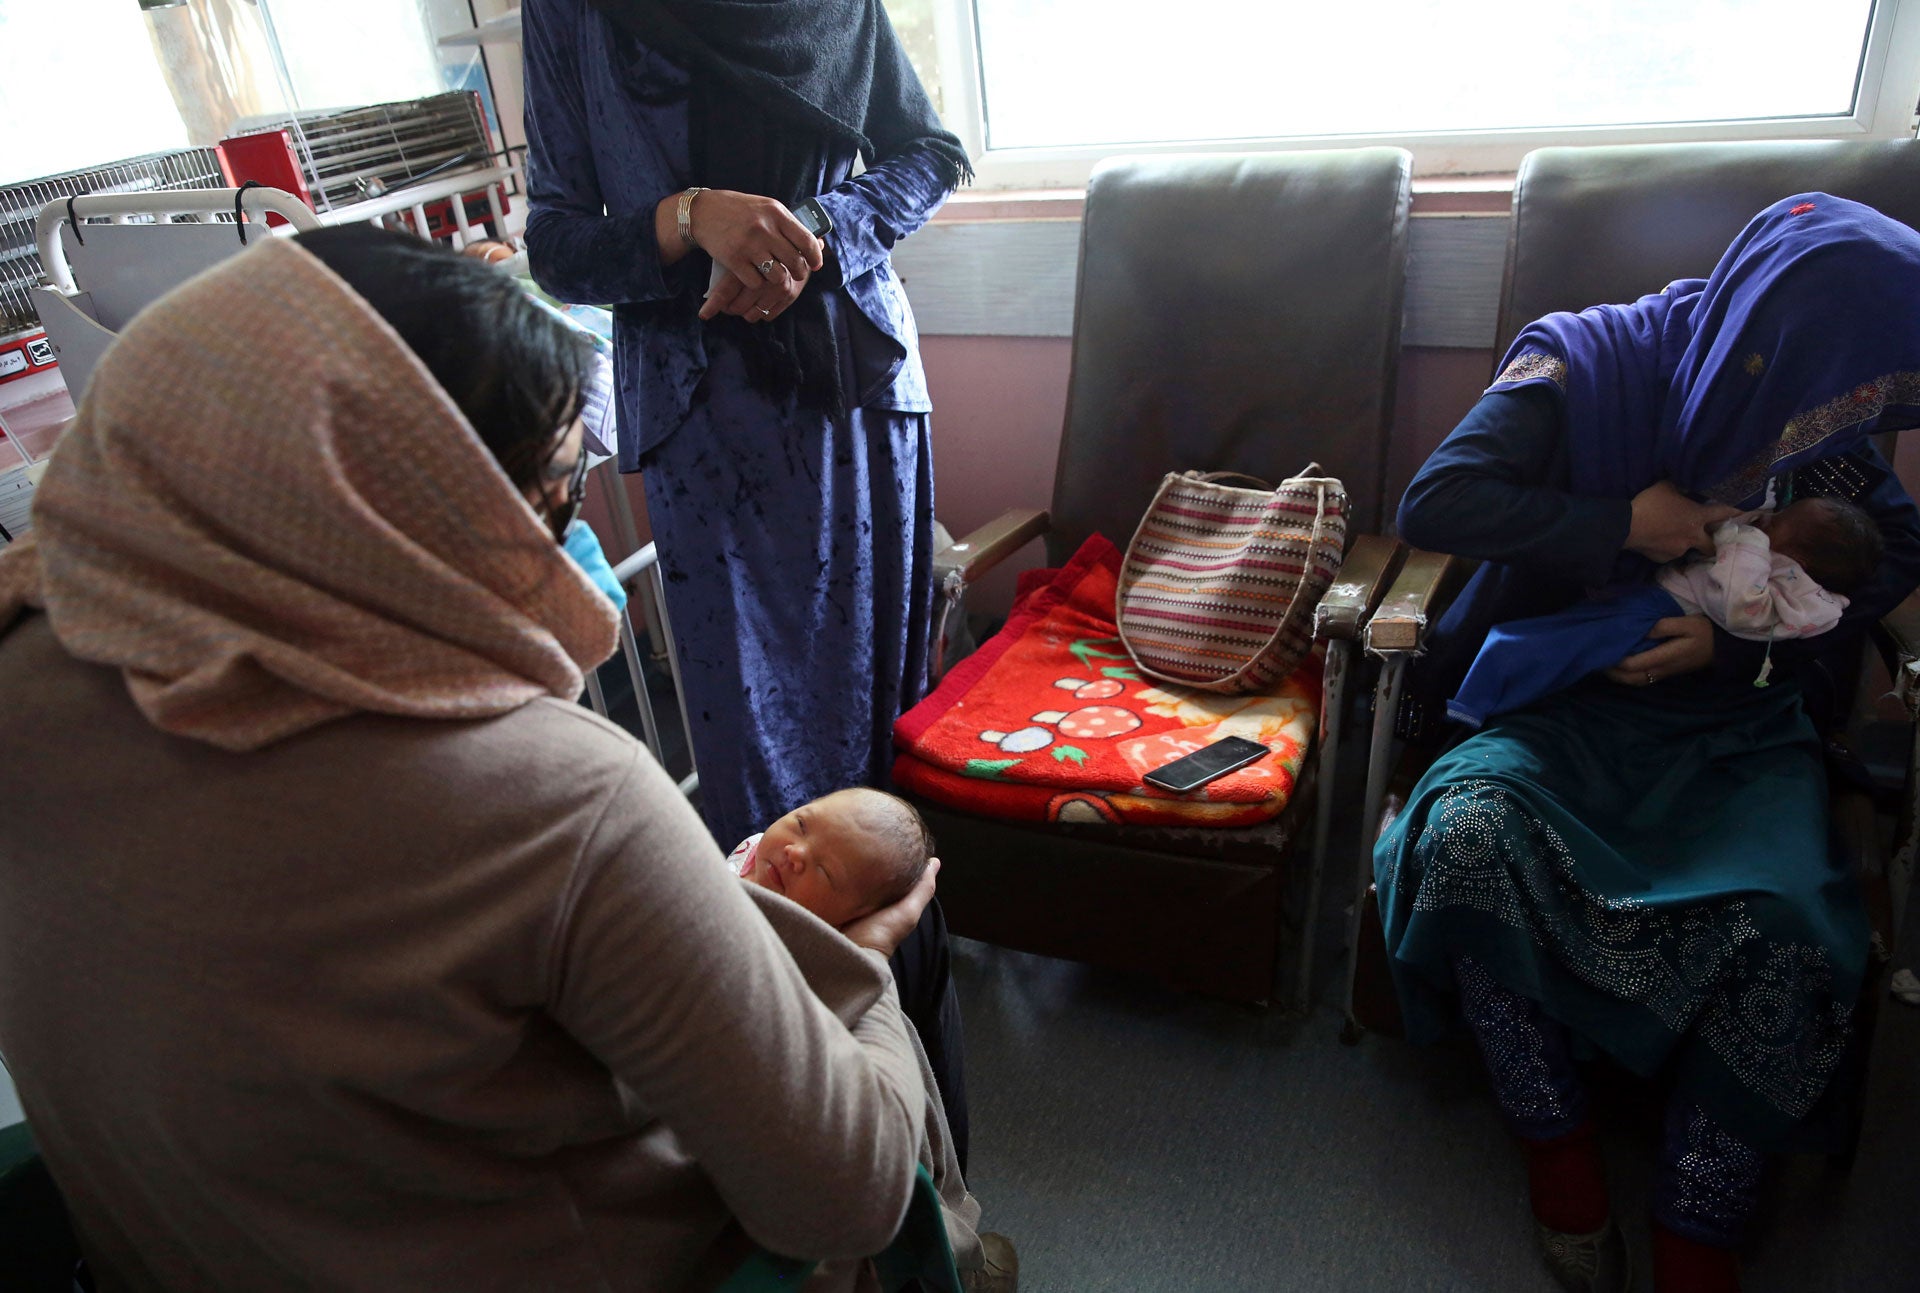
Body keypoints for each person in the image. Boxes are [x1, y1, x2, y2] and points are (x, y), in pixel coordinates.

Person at [0, 228, 950, 1290]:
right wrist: (860, 975)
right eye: (543, 502)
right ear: (413, 508)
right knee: (898, 1104)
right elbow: (846, 1193)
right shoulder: (553, 792)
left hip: (169, 1253)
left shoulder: (24, 660)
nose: (558, 545)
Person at [1375, 194, 1920, 1293]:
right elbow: (1438, 500)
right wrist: (1622, 523)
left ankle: (1697, 1215)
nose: (1844, 425)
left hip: (1733, 728)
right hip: (1563, 705)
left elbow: (1894, 548)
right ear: (1770, 346)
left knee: (1790, 927)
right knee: (1469, 844)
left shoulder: (1821, 431)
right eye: (1841, 395)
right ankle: (1558, 1147)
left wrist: (1730, 652)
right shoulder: (1579, 367)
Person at [521, 0, 974, 1164]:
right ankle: (802, 1130)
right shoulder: (575, 15)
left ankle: (923, 1107)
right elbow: (560, 244)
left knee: (874, 789)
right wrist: (689, 222)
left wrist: (820, 227)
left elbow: (932, 151)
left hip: (860, 396)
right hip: (702, 421)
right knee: (765, 804)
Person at [1448, 496, 1882, 727]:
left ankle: (1477, 699)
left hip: (1658, 615)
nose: (1766, 521)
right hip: (1650, 607)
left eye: (1777, 522)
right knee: (1570, 642)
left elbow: (1739, 606)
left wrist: (1746, 540)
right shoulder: (1796, 573)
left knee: (1557, 641)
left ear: (1798, 559)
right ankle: (1493, 690)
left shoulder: (1781, 573)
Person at [730, 787, 934, 928]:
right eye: (801, 825)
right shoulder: (756, 845)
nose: (795, 852)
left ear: (852, 918)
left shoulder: (792, 944)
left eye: (825, 871)